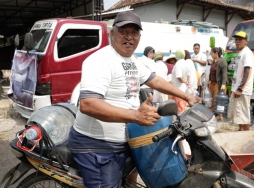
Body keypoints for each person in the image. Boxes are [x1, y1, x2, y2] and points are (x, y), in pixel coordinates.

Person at [67, 11, 197, 187]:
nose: (129, 37)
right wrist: (135, 116)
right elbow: (88, 104)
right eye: (123, 31)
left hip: (125, 141)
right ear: (111, 33)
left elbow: (155, 80)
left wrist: (186, 96)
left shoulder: (132, 60)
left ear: (139, 36)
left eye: (134, 32)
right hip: (97, 146)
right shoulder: (100, 60)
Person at [228, 31, 254, 131]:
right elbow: (239, 73)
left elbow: (248, 71)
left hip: (242, 91)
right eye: (236, 39)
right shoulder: (241, 53)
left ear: (246, 41)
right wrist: (234, 88)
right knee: (238, 116)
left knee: (243, 116)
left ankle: (246, 136)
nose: (237, 41)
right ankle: (240, 133)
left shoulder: (247, 53)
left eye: (240, 39)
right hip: (237, 90)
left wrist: (240, 88)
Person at [208, 47, 227, 119]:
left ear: (216, 53)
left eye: (212, 53)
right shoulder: (213, 61)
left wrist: (223, 84)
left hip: (218, 84)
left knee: (219, 100)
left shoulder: (222, 61)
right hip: (213, 83)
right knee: (213, 99)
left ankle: (220, 115)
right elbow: (211, 72)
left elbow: (224, 73)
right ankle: (215, 114)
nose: (211, 55)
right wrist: (209, 80)